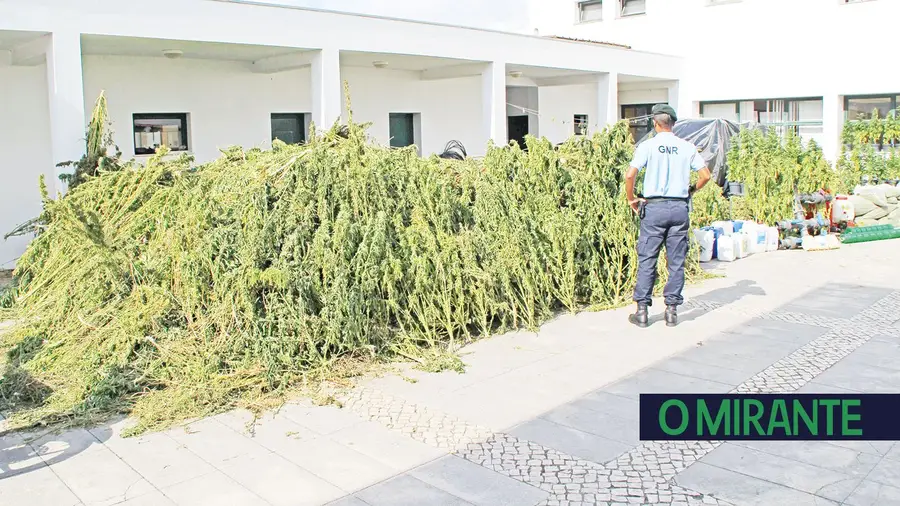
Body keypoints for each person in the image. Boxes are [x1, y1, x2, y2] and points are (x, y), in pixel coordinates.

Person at [624, 104, 711, 328]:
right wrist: (691, 190)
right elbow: (705, 175)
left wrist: (631, 198)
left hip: (653, 209)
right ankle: (671, 311)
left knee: (647, 259)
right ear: (673, 123)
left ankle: (642, 312)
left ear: (654, 122)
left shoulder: (648, 146)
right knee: (676, 261)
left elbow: (630, 175)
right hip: (679, 208)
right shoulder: (686, 147)